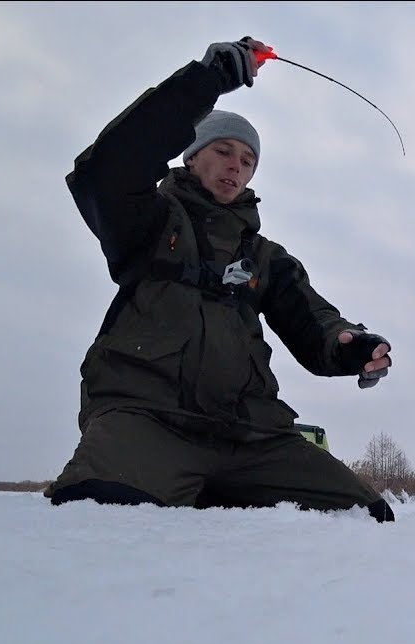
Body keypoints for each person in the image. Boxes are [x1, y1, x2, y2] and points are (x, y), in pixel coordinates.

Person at [43, 37, 396, 522]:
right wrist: (205, 82)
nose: (236, 165)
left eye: (247, 160)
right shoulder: (147, 220)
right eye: (223, 150)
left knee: (364, 514)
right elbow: (106, 169)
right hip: (149, 419)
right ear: (190, 155)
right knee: (103, 512)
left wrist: (347, 345)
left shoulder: (265, 258)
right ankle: (177, 483)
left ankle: (204, 489)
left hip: (250, 436)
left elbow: (313, 321)